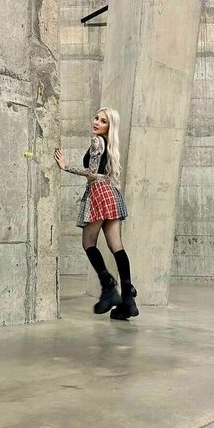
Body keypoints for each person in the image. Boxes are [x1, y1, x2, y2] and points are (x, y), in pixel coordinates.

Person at [54, 107, 139, 320]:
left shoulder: (96, 141)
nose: (97, 122)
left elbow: (92, 173)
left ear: (109, 126)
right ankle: (128, 298)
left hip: (99, 192)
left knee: (88, 243)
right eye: (96, 118)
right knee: (116, 246)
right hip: (111, 192)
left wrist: (65, 166)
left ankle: (109, 288)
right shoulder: (110, 144)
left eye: (103, 121)